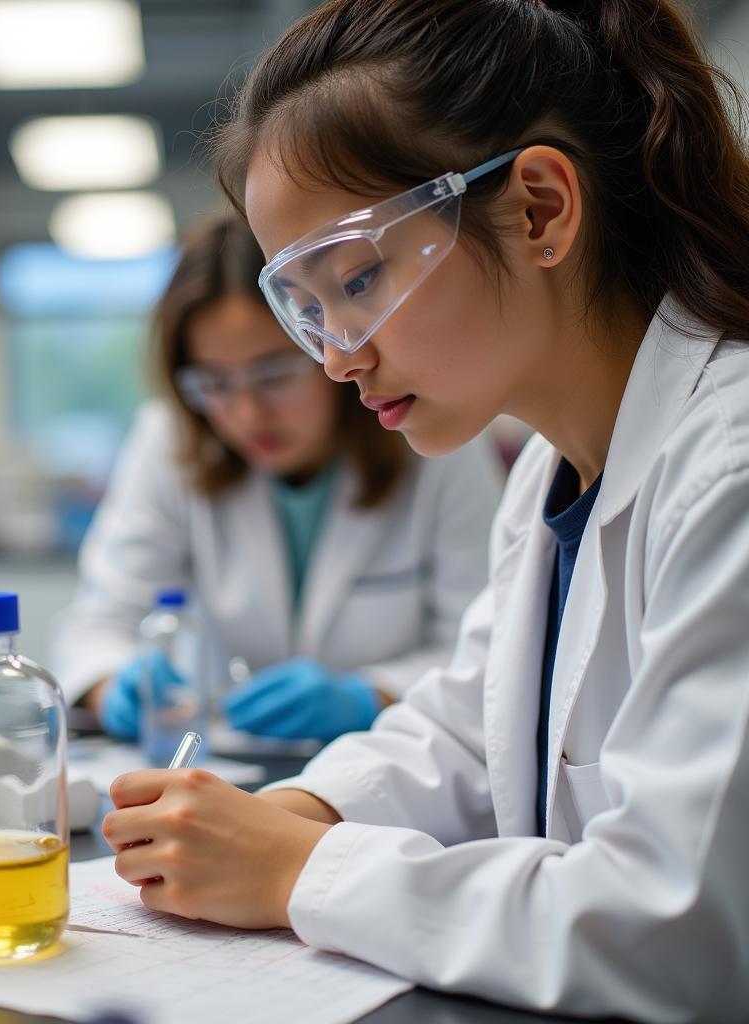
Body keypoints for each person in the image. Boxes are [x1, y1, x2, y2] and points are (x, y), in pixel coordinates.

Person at [101, 1, 749, 1019]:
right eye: (306, 305)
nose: (335, 355)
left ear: (536, 208)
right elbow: (469, 728)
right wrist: (290, 810)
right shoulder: (550, 468)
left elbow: (677, 928)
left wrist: (299, 869)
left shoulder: (730, 469)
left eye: (357, 277)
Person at [53, 213, 503, 743]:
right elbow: (98, 624)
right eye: (214, 382)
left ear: (328, 347)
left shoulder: (437, 440)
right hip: (230, 766)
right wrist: (115, 687)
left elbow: (490, 650)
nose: (246, 415)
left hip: (402, 757)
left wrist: (370, 695)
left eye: (274, 374)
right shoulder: (171, 439)